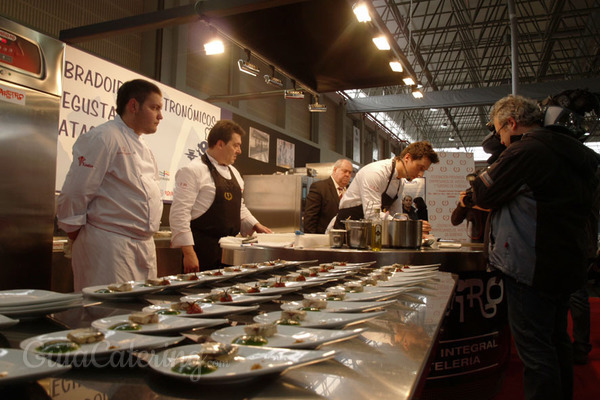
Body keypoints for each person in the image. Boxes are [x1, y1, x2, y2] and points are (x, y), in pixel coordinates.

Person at [471, 94, 600, 400]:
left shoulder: (528, 150)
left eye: (501, 132)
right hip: (564, 260)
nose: (502, 141)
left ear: (511, 123)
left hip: (529, 264)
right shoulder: (575, 151)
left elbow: (482, 194)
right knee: (557, 342)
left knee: (536, 352)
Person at [57, 79, 164, 291]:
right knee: (106, 312)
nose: (160, 116)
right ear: (133, 106)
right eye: (155, 108)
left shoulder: (145, 147)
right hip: (110, 246)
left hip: (143, 247)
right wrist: (74, 233)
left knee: (139, 314)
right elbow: (75, 192)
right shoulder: (104, 137)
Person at [170, 120, 272, 272]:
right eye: (236, 145)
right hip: (202, 252)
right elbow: (179, 214)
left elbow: (239, 207)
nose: (239, 151)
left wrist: (255, 225)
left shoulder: (235, 173)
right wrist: (189, 253)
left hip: (229, 252)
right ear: (220, 144)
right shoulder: (193, 171)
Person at [333, 141, 439, 230]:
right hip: (346, 229)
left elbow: (396, 214)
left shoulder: (400, 182)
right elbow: (372, 215)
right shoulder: (376, 173)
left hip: (367, 231)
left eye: (424, 170)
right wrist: (410, 225)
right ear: (407, 157)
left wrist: (412, 225)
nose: (421, 174)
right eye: (420, 168)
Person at [304, 159, 353, 233]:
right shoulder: (319, 187)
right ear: (335, 170)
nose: (347, 175)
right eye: (344, 171)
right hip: (323, 239)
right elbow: (310, 218)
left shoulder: (351, 191)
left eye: (350, 172)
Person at [450, 176, 489, 243]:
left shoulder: (492, 196)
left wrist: (478, 206)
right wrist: (462, 205)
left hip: (493, 240)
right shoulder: (470, 197)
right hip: (477, 241)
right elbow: (455, 221)